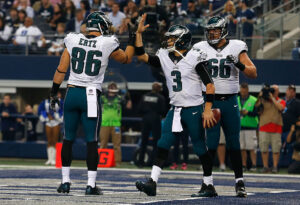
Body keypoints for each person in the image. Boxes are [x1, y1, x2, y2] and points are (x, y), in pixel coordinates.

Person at [50, 11, 135, 195]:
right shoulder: (107, 42)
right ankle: (90, 184)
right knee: (91, 141)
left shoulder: (73, 39)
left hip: (71, 92)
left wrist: (53, 93)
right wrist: (134, 38)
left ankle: (65, 182)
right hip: (90, 95)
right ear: (102, 26)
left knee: (68, 138)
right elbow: (127, 58)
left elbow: (61, 69)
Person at [134, 14, 218, 198]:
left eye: (172, 38)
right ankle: (152, 182)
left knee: (199, 147)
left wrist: (207, 109)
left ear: (182, 41)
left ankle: (209, 185)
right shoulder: (164, 55)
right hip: (176, 109)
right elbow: (141, 56)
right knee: (163, 143)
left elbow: (210, 85)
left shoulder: (195, 57)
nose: (168, 41)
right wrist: (138, 34)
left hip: (195, 108)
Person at [193, 16, 257, 197]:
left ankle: (240, 182)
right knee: (211, 143)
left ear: (224, 30)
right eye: (210, 30)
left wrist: (237, 63)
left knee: (233, 142)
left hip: (230, 101)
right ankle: (208, 184)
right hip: (210, 101)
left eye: (215, 30)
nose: (212, 33)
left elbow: (253, 72)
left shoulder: (237, 46)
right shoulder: (200, 48)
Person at [100, 82, 132, 167]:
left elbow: (129, 107)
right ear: (108, 88)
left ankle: (118, 162)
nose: (112, 88)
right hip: (104, 123)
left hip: (116, 124)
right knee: (103, 144)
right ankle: (101, 161)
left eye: (114, 86)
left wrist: (129, 98)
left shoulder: (120, 98)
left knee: (117, 145)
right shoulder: (102, 98)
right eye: (111, 86)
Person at [255, 85, 286, 173]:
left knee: (276, 149)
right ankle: (265, 166)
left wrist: (272, 98)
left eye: (275, 90)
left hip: (276, 128)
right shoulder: (263, 101)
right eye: (272, 90)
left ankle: (275, 167)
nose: (273, 92)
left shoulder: (281, 101)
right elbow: (256, 106)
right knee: (264, 148)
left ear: (278, 92)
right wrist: (260, 96)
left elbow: (281, 108)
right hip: (264, 128)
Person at [137, 82, 166, 168]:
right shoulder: (161, 98)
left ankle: (140, 162)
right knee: (156, 142)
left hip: (145, 119)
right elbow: (163, 110)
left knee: (144, 141)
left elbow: (139, 109)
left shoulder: (144, 96)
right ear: (159, 89)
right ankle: (154, 163)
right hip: (155, 119)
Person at [238, 82, 258, 172]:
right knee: (242, 147)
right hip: (240, 126)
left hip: (251, 126)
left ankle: (254, 165)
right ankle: (243, 165)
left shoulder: (254, 100)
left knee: (251, 147)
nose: (243, 92)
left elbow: (257, 113)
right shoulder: (236, 99)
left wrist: (248, 113)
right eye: (242, 90)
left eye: (244, 90)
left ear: (247, 90)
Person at [38, 92, 63, 165]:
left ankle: (54, 159)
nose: (58, 95)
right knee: (49, 141)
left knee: (55, 140)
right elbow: (40, 111)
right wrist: (45, 116)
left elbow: (63, 110)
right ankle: (49, 159)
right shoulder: (45, 102)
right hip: (48, 122)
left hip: (56, 122)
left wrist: (58, 116)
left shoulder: (61, 102)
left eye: (58, 94)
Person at [282, 85, 300, 155]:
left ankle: (290, 163)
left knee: (289, 147)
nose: (290, 92)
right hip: (280, 128)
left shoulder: (297, 103)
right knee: (278, 148)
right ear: (286, 91)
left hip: (290, 130)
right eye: (289, 90)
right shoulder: (281, 100)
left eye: (292, 91)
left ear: (294, 93)